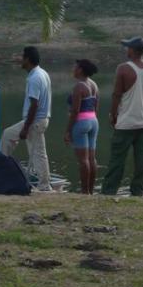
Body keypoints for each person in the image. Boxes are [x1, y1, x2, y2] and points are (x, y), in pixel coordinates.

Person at [101, 37, 143, 196]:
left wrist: (113, 115)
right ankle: (138, 192)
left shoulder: (123, 69)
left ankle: (109, 191)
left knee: (117, 160)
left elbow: (116, 95)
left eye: (127, 47)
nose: (125, 50)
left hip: (126, 122)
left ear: (133, 51)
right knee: (142, 161)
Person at [0, 46, 53, 191]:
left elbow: (34, 105)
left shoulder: (35, 78)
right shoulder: (43, 73)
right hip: (40, 120)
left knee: (35, 152)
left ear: (28, 59)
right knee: (11, 137)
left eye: (22, 57)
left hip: (35, 121)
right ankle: (43, 183)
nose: (20, 60)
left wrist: (25, 128)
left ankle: (43, 186)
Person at [64, 59, 100, 194]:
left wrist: (68, 131)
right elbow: (96, 106)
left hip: (81, 123)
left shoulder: (79, 86)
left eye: (75, 66)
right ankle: (90, 190)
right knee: (91, 158)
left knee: (83, 160)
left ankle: (85, 192)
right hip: (93, 121)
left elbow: (75, 111)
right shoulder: (94, 85)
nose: (73, 69)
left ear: (80, 70)